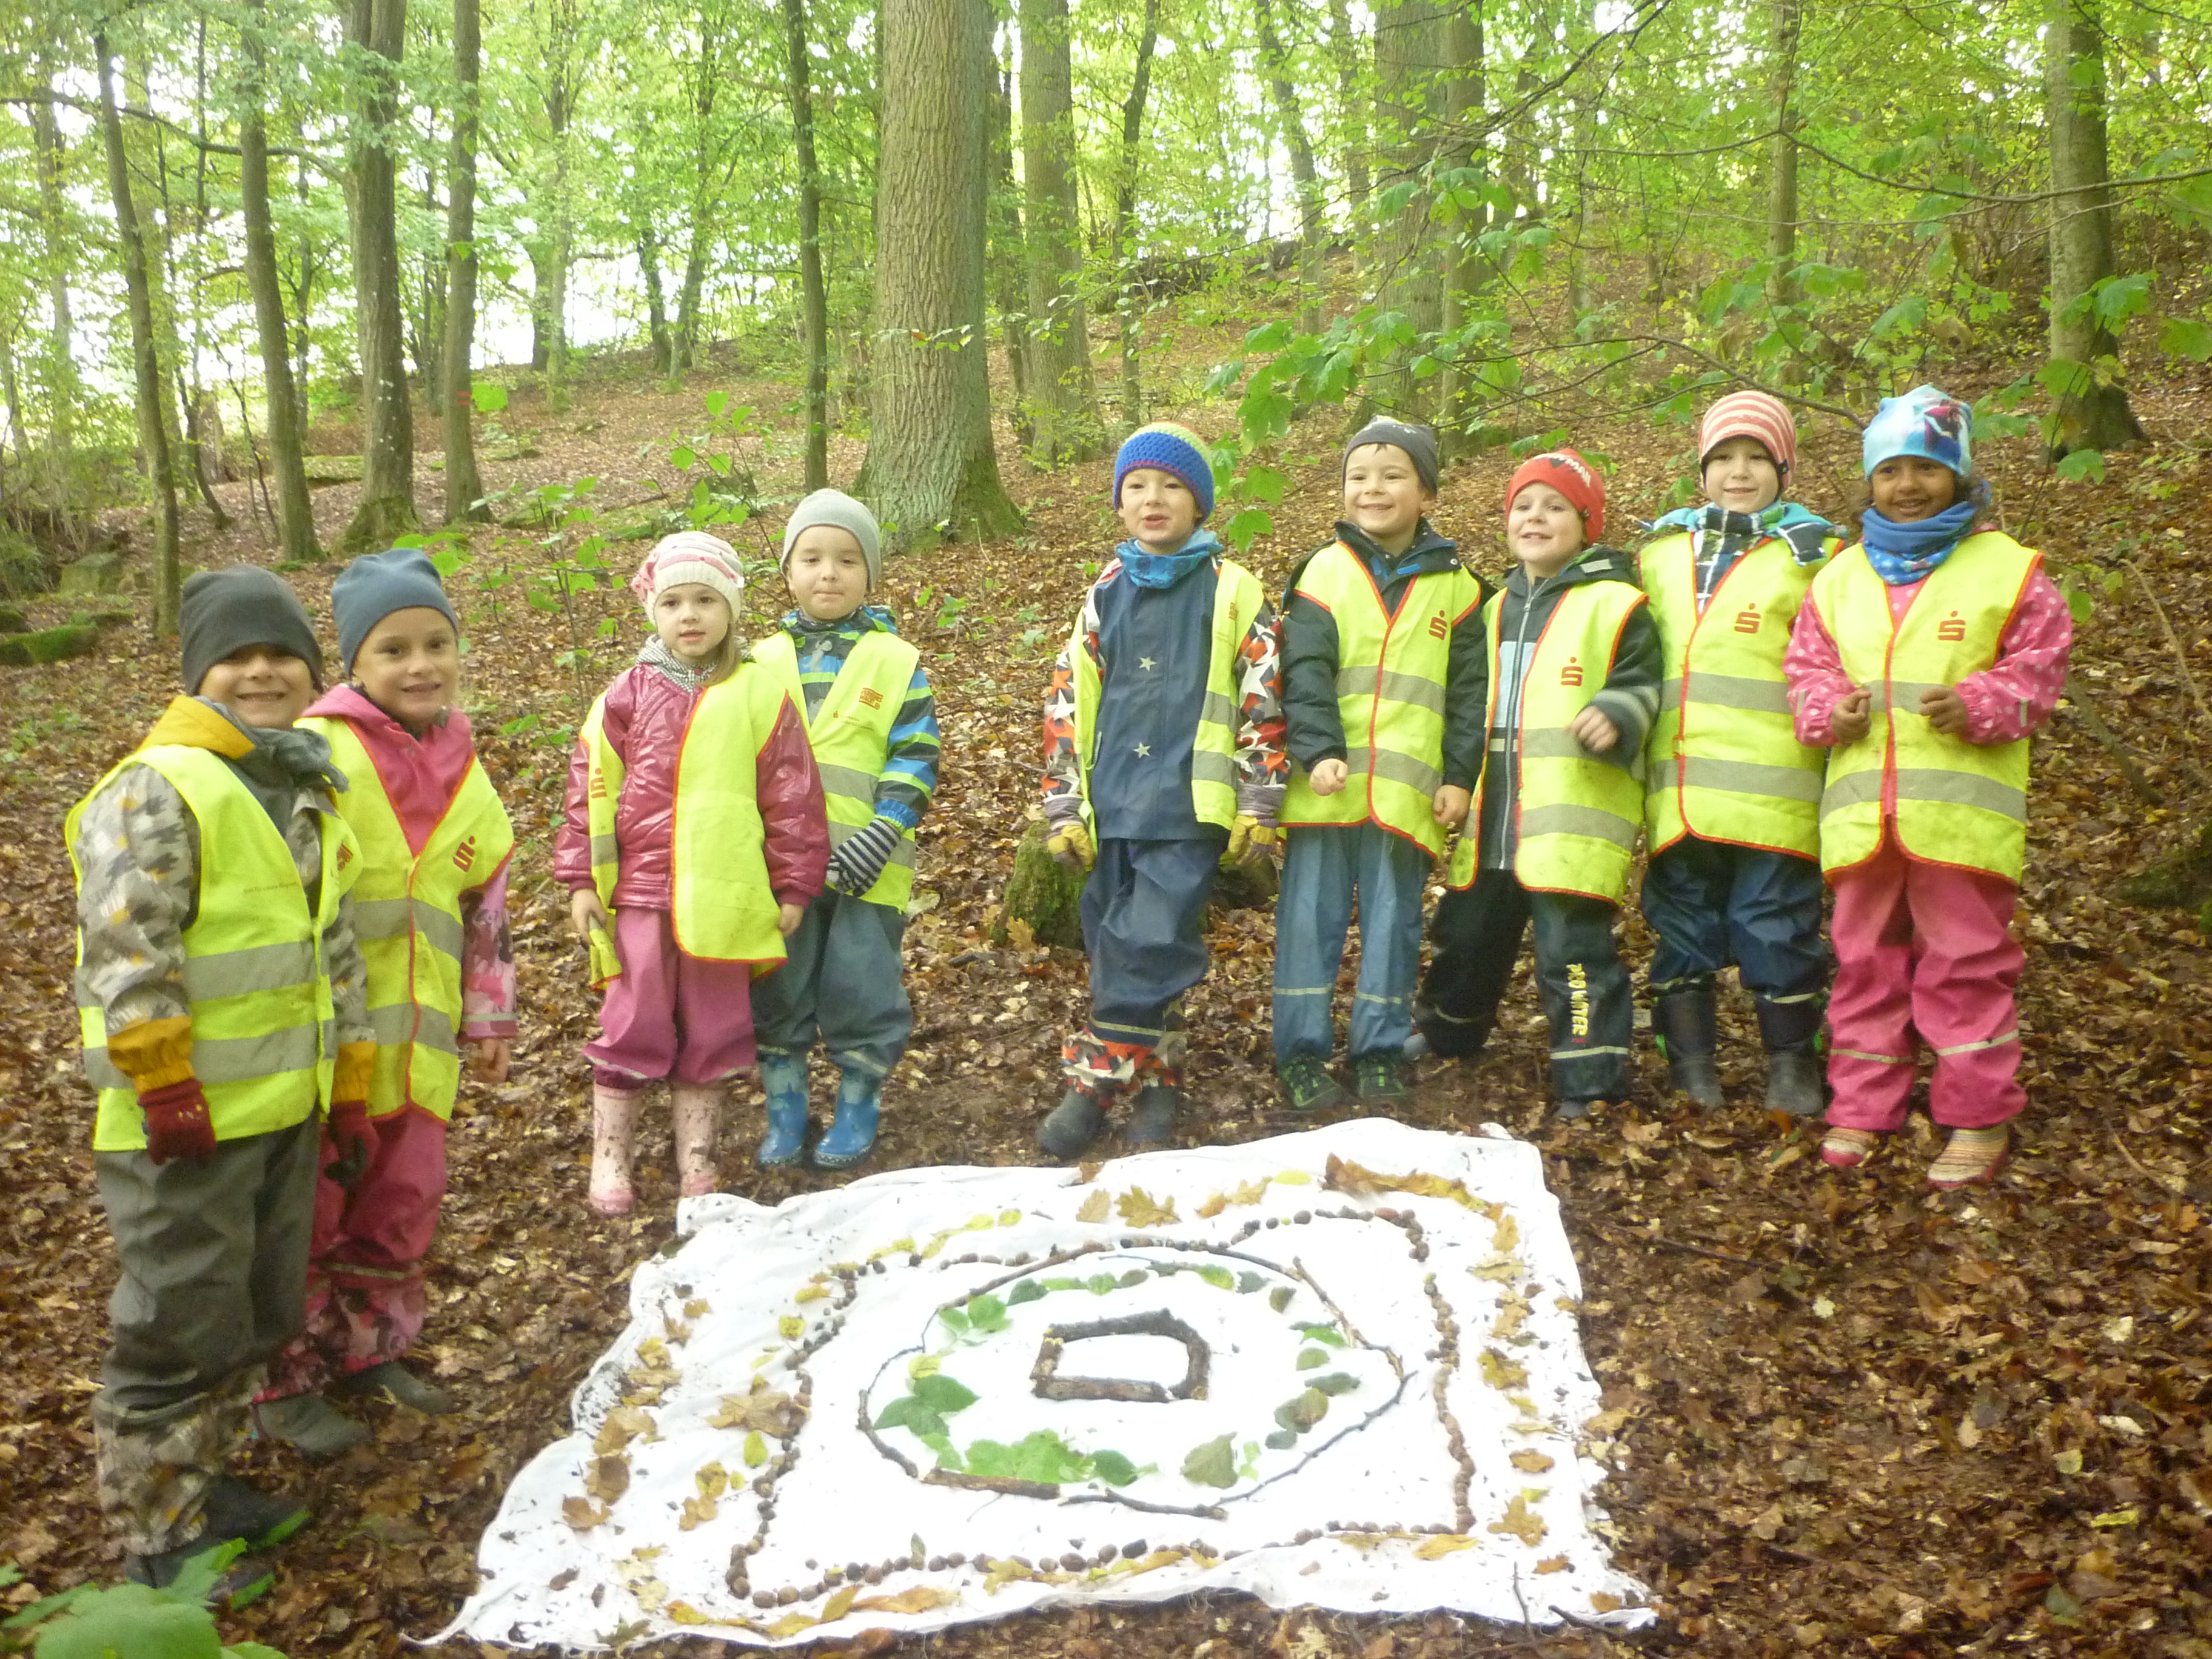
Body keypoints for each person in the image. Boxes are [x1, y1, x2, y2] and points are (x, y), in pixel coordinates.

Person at [68, 566, 374, 1593]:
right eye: (234, 656)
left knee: (250, 1315)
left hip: (280, 1107)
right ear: (198, 673)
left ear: (311, 671)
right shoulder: (159, 784)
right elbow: (127, 944)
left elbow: (329, 946)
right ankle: (159, 1541)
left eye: (281, 653)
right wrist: (162, 1083)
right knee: (176, 1328)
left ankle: (203, 1486)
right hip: (181, 1127)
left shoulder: (301, 784)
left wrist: (355, 1078)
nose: (260, 671)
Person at [253, 549, 515, 1457]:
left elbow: (487, 902)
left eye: (436, 643)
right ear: (354, 666)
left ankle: (370, 1354)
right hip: (329, 1049)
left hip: (424, 1041)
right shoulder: (317, 753)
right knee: (312, 1215)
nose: (419, 666)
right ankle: (284, 1381)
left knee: (402, 1204)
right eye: (394, 648)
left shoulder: (463, 760)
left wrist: (488, 1013)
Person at [1784, 384, 2070, 1188]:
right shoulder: (1837, 578)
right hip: (1859, 818)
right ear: (1868, 482)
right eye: (1890, 471)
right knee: (1864, 961)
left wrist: (1978, 702)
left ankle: (1977, 1114)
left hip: (1960, 819)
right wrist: (1824, 712)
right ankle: (1862, 1107)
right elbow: (1806, 668)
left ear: (1960, 476)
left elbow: (2039, 673)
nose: (1907, 485)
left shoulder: (2010, 572)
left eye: (1926, 468)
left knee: (1965, 962)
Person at [554, 532, 827, 1215]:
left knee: (713, 1025)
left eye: (706, 600)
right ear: (655, 611)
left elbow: (792, 795)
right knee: (633, 1016)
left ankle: (697, 1159)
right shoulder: (627, 694)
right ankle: (610, 1157)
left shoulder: (759, 694)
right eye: (674, 602)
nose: (690, 616)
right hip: (640, 893)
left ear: (732, 608)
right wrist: (583, 879)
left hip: (725, 894)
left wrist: (794, 884)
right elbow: (589, 787)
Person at [1036, 422, 1287, 1159]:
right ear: (1118, 503)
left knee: (1146, 939)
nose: (1153, 499)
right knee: (1121, 944)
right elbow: (1066, 702)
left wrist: (1260, 799)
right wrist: (1062, 801)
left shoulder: (1235, 590)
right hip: (1112, 804)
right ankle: (1158, 1089)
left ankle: (1091, 1087)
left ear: (1200, 504)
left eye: (1172, 486)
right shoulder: (1103, 594)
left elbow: (1264, 697)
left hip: (1191, 804)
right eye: (1137, 486)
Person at [1413, 449, 1661, 1116]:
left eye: (1555, 507)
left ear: (1587, 525)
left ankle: (1590, 1075)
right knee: (1467, 932)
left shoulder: (1616, 603)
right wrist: (1456, 778)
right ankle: (1447, 1033)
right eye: (1524, 505)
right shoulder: (1491, 609)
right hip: (1495, 813)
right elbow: (1469, 705)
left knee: (1571, 949)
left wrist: (1617, 712)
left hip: (1569, 816)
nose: (1536, 518)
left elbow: (1644, 680)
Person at [1637, 391, 1842, 1114]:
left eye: (1758, 457)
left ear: (1784, 469)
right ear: (1701, 470)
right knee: (1681, 922)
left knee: (1774, 923)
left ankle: (1792, 1062)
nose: (1739, 471)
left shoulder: (1817, 556)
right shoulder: (1660, 552)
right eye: (1723, 457)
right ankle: (1692, 1067)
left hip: (1775, 789)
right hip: (1679, 785)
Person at [1273, 419, 1486, 1110]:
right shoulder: (1321, 573)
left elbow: (1466, 696)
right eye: (1359, 476)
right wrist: (1318, 752)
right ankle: (1301, 1054)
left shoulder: (1461, 590)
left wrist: (1458, 776)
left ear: (1425, 490)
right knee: (1310, 923)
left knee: (1394, 927)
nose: (1374, 488)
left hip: (1407, 795)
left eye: (1392, 474)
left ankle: (1378, 1052)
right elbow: (1303, 673)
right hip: (1325, 791)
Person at [749, 491, 939, 1171]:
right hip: (779, 871)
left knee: (863, 985)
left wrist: (885, 829)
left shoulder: (895, 659)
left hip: (869, 866)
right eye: (812, 559)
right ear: (789, 571)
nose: (829, 573)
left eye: (847, 560)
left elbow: (916, 753)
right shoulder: (756, 664)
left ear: (870, 575)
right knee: (779, 987)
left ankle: (858, 1100)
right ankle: (786, 1105)